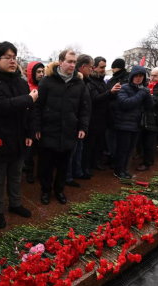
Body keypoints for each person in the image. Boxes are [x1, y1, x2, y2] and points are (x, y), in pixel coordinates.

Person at [0, 42, 36, 229]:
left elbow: (30, 110)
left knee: (15, 175)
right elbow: (1, 105)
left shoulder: (21, 82)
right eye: (7, 57)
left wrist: (29, 132)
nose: (12, 61)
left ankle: (15, 204)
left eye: (14, 57)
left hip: (19, 137)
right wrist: (29, 98)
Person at [33, 49, 89, 205]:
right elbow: (38, 107)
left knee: (64, 165)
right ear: (61, 62)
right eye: (70, 61)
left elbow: (83, 108)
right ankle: (45, 191)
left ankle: (59, 190)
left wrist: (82, 128)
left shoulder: (79, 83)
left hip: (69, 130)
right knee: (46, 165)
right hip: (49, 130)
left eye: (74, 62)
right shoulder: (47, 81)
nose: (73, 65)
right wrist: (36, 128)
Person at [113, 65, 153, 179]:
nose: (138, 78)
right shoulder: (124, 88)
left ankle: (124, 169)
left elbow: (149, 106)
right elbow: (125, 104)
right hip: (123, 125)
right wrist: (141, 94)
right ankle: (118, 170)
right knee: (122, 149)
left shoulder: (143, 89)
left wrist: (147, 94)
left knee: (130, 149)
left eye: (141, 76)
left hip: (136, 124)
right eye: (136, 76)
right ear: (132, 76)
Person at [82, 56, 118, 177]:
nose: (104, 70)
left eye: (104, 67)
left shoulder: (101, 80)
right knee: (89, 145)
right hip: (93, 119)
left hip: (102, 118)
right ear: (94, 67)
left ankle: (94, 163)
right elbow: (95, 99)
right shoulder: (91, 81)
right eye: (102, 67)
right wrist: (110, 92)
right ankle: (85, 167)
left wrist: (114, 94)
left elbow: (105, 97)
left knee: (97, 144)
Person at [65, 54, 93, 187]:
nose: (91, 70)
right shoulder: (76, 81)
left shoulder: (84, 81)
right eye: (90, 67)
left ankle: (77, 172)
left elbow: (84, 105)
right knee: (72, 151)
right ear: (83, 67)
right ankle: (68, 176)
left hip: (80, 122)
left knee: (78, 149)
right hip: (73, 123)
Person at [105, 58, 129, 165]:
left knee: (115, 138)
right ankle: (112, 155)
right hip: (113, 113)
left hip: (117, 112)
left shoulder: (122, 80)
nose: (112, 70)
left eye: (113, 68)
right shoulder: (116, 79)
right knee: (111, 136)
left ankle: (115, 157)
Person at [24, 61, 45, 184]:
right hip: (30, 125)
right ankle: (29, 173)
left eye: (42, 71)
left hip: (42, 124)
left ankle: (40, 172)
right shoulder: (26, 87)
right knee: (29, 152)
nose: (41, 74)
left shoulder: (44, 86)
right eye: (38, 71)